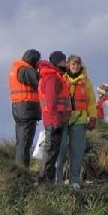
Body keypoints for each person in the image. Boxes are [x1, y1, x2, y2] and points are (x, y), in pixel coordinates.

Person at [55, 55, 97, 188]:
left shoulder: (86, 82)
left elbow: (91, 102)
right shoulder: (61, 78)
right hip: (63, 119)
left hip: (80, 120)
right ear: (68, 64)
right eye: (73, 64)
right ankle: (58, 180)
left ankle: (74, 181)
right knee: (59, 150)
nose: (75, 66)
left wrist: (93, 117)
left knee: (77, 152)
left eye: (78, 64)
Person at [36, 51, 71, 184]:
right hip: (54, 120)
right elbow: (51, 101)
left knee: (52, 150)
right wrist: (56, 120)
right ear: (57, 62)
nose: (65, 64)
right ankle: (44, 179)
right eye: (64, 61)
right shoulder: (52, 77)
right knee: (51, 150)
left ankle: (46, 179)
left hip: (53, 119)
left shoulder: (52, 76)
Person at [8, 49, 42, 168]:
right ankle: (22, 169)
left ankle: (19, 167)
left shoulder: (16, 69)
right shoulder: (26, 70)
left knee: (21, 140)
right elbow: (41, 82)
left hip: (18, 108)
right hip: (26, 109)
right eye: (38, 60)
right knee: (25, 142)